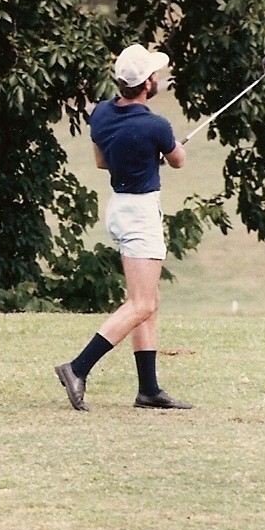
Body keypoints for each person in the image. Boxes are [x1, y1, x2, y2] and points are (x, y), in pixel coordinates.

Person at [54, 44, 194, 412]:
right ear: (148, 83)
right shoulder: (156, 125)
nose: (158, 77)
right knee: (141, 303)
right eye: (155, 74)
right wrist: (165, 148)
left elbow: (102, 161)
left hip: (119, 208)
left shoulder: (100, 112)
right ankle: (78, 367)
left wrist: (144, 154)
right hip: (140, 213)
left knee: (148, 303)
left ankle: (148, 390)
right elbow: (179, 160)